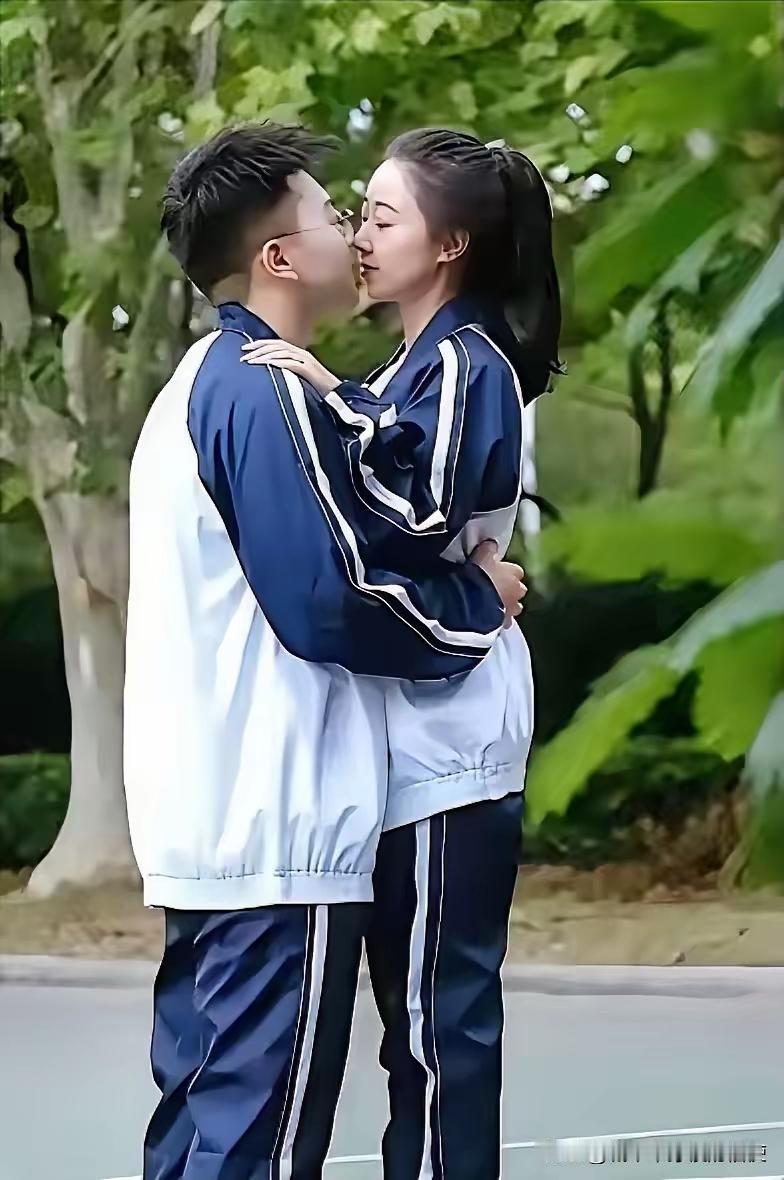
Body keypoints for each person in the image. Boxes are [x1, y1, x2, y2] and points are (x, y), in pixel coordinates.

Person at [124, 123, 525, 1180]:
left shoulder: (214, 381)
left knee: (206, 1128)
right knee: (256, 1144)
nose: (352, 232)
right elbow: (330, 600)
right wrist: (476, 602)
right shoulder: (262, 391)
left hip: (221, 824)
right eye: (336, 214)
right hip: (275, 827)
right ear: (279, 256)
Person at [240, 127, 562, 1179]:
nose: (361, 237)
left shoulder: (471, 363)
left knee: (436, 1022)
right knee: (415, 1021)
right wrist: (337, 397)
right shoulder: (413, 365)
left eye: (382, 218)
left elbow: (415, 516)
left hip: (451, 736)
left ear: (451, 244)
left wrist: (322, 398)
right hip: (412, 724)